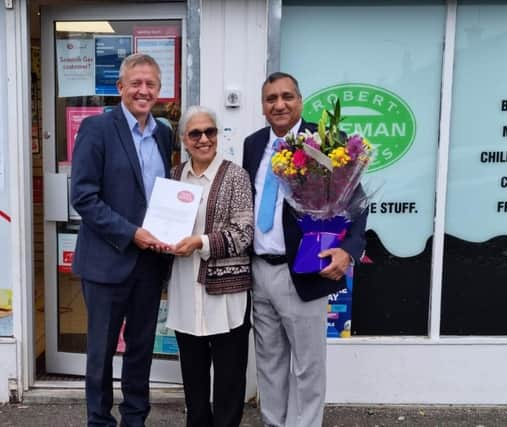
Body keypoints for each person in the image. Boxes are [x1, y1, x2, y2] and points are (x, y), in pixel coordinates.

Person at [242, 72, 368, 427]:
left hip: (305, 270)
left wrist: (348, 251)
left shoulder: (326, 141)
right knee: (269, 362)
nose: (279, 104)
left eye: (286, 96)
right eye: (270, 99)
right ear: (262, 106)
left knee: (308, 366)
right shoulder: (253, 145)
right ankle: (273, 422)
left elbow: (356, 204)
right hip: (259, 271)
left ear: (300, 100)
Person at [70, 53, 174, 426]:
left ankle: (135, 418)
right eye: (136, 83)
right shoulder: (97, 129)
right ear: (120, 89)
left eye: (150, 84)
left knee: (141, 350)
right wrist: (131, 233)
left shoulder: (164, 132)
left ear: (159, 90)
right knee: (100, 353)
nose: (143, 91)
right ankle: (99, 420)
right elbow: (83, 196)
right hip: (106, 261)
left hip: (149, 264)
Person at [164, 106, 253, 427]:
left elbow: (244, 234)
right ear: (184, 140)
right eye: (195, 134)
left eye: (210, 132)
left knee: (229, 380)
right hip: (186, 291)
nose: (204, 139)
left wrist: (199, 242)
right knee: (194, 379)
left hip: (225, 295)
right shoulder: (174, 177)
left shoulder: (236, 176)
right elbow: (164, 227)